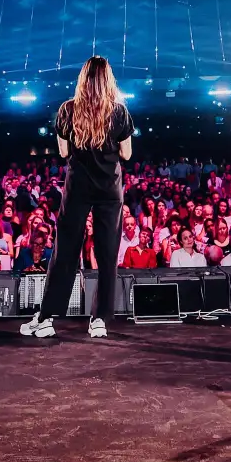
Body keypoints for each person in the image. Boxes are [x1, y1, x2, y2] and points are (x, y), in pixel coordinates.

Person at [21, 56, 134, 340]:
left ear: (82, 78)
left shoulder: (67, 110)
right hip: (109, 189)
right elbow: (127, 154)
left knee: (65, 252)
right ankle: (99, 320)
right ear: (108, 79)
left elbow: (62, 152)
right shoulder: (119, 112)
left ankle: (47, 318)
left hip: (78, 187)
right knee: (107, 255)